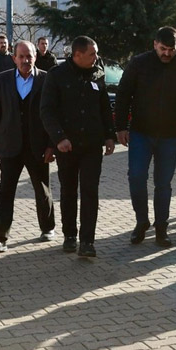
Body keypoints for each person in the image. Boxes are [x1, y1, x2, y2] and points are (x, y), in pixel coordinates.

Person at [114, 27, 176, 247]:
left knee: (163, 183)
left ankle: (161, 228)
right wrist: (121, 126)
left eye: (172, 50)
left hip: (170, 134)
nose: (167, 54)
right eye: (163, 49)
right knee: (136, 177)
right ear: (154, 44)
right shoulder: (139, 63)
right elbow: (123, 94)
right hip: (141, 132)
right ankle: (142, 221)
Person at [40, 36, 116, 258]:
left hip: (92, 145)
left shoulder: (97, 74)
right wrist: (58, 138)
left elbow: (104, 108)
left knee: (90, 191)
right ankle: (70, 235)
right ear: (77, 55)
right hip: (67, 146)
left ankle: (87, 241)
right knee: (68, 190)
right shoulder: (57, 76)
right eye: (92, 54)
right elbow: (47, 111)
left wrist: (110, 136)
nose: (96, 58)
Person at [0, 40, 56, 253]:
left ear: (36, 56)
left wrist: (52, 145)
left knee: (42, 189)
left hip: (38, 146)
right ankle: (0, 238)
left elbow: (54, 114)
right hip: (9, 146)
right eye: (22, 56)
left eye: (29, 56)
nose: (26, 60)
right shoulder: (2, 80)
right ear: (14, 58)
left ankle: (47, 228)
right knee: (5, 192)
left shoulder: (46, 79)